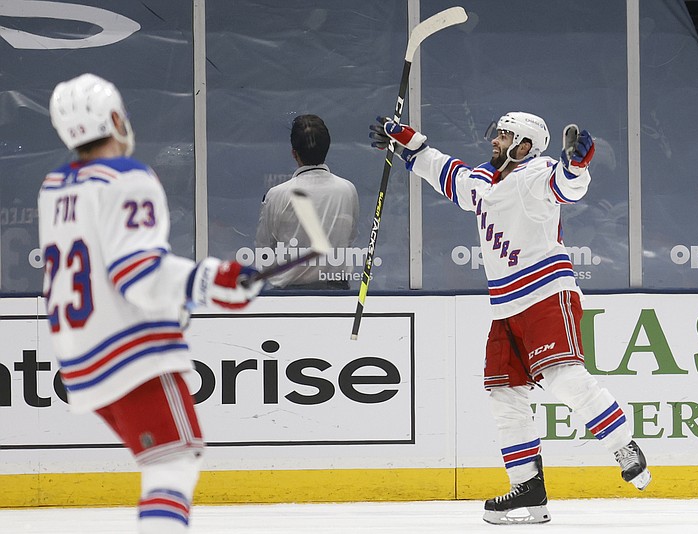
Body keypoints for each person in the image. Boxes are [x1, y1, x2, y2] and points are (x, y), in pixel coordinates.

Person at [369, 113, 651, 525]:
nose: (495, 141)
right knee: (504, 397)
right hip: (505, 308)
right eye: (497, 134)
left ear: (524, 145)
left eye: (505, 136)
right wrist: (410, 142)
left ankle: (624, 445)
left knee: (564, 379)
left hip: (546, 294)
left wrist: (577, 164)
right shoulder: (484, 180)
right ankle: (529, 490)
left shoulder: (537, 173)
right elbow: (450, 175)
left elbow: (567, 187)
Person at [39, 73, 264, 533]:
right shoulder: (129, 177)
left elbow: (104, 270)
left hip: (78, 356)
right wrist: (210, 280)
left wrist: (180, 304)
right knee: (174, 463)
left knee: (163, 460)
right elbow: (137, 275)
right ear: (117, 119)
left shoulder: (54, 186)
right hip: (130, 354)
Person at [256, 114, 359, 289]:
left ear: (294, 153)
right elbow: (350, 238)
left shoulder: (277, 194)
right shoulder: (348, 190)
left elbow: (263, 251)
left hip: (288, 297)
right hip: (338, 296)